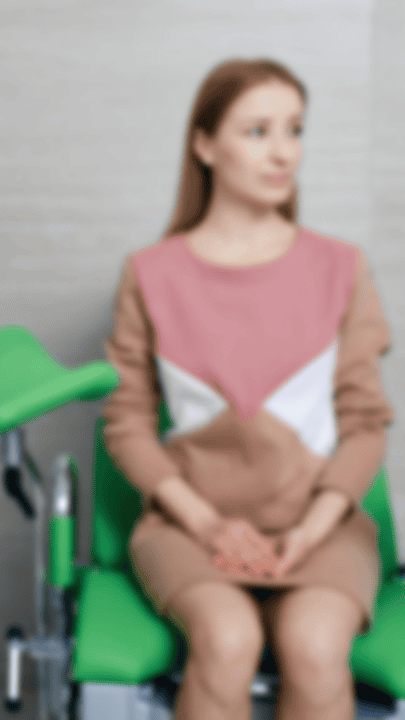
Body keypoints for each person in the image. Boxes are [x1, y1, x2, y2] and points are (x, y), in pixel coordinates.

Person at [103, 58, 392, 720]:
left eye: (295, 129)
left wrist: (310, 531)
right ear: (205, 145)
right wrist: (208, 524)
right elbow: (127, 424)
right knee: (228, 642)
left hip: (320, 527)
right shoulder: (151, 274)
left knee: (316, 648)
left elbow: (365, 424)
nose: (283, 152)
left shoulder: (341, 268)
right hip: (188, 525)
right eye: (258, 131)